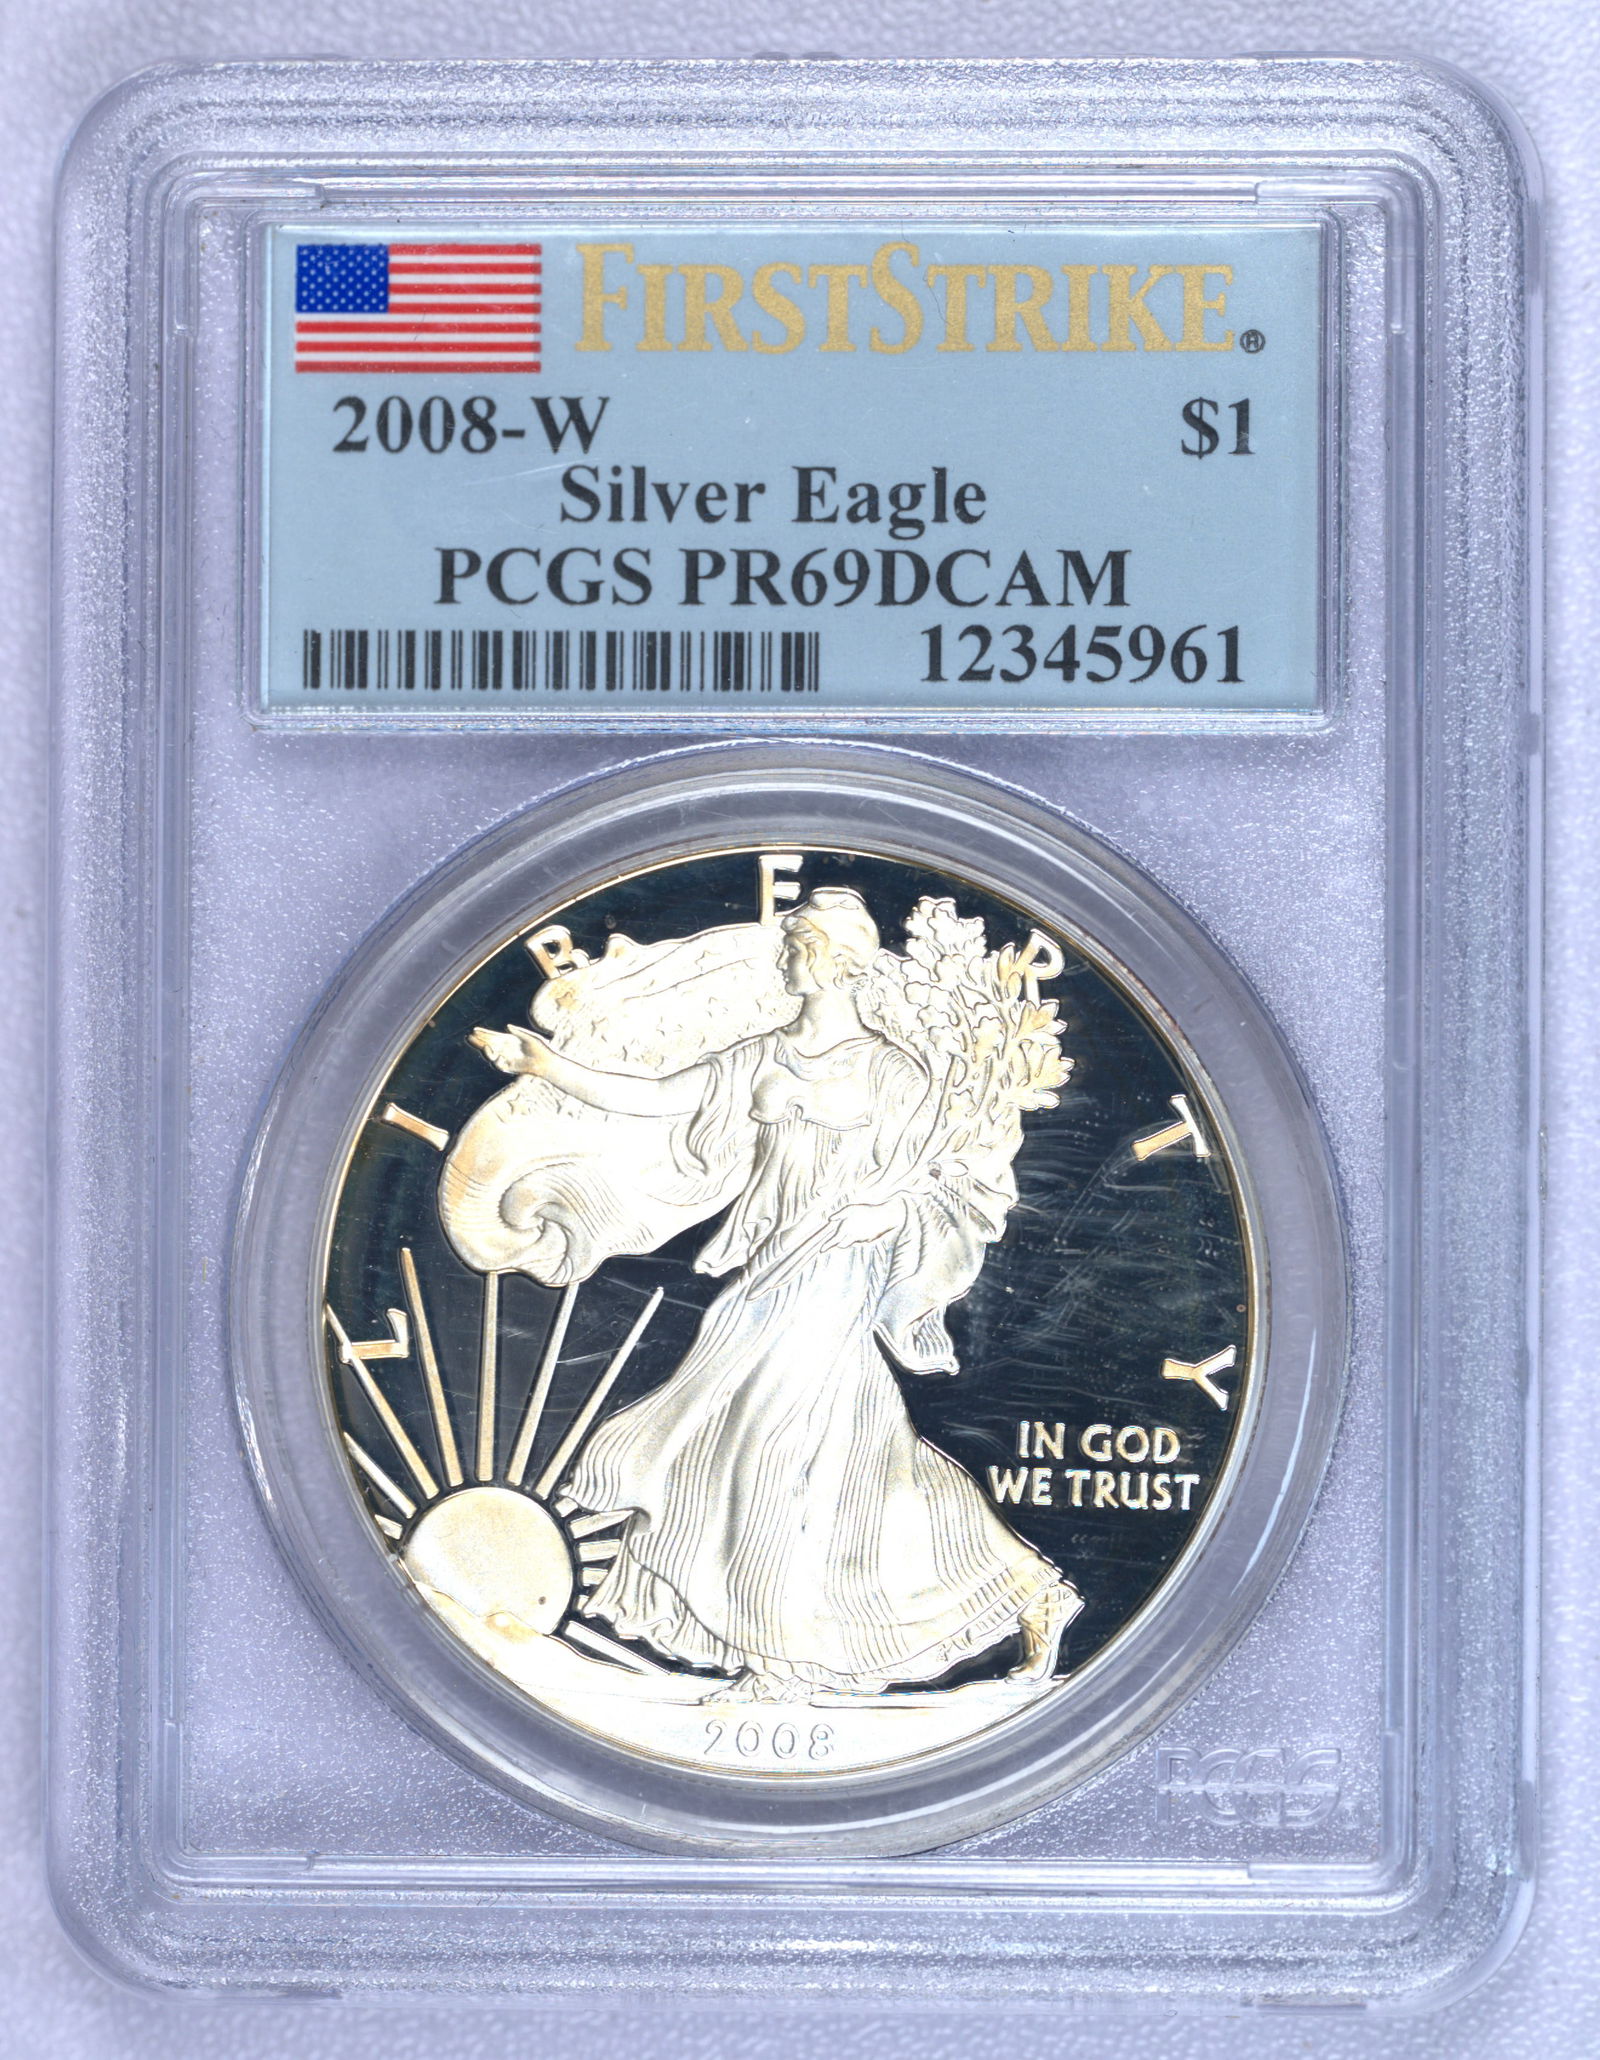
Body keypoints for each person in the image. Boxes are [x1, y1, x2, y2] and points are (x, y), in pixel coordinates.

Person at [470, 887, 1081, 1701]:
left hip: (841, 1268)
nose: (785, 958)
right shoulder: (762, 1054)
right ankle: (1029, 1590)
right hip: (771, 1266)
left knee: (773, 1441)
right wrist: (545, 1065)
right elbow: (659, 1096)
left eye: (797, 947)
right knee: (854, 1451)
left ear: (833, 961)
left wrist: (879, 1212)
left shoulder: (893, 1071)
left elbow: (937, 1184)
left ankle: (782, 1659)